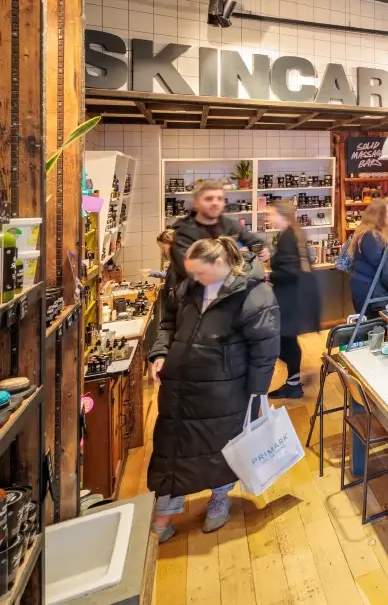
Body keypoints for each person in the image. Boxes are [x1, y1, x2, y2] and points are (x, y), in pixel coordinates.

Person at [147, 237, 280, 542]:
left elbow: (265, 348)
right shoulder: (189, 285)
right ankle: (164, 514)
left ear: (219, 265)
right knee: (171, 450)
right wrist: (160, 353)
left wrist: (257, 394)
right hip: (179, 390)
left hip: (226, 390)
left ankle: (219, 499)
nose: (194, 279)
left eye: (199, 272)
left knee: (223, 448)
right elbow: (167, 322)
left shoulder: (254, 294)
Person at [167, 180, 269, 290]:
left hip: (225, 292)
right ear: (195, 203)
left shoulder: (230, 225)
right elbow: (196, 271)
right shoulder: (183, 232)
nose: (215, 203)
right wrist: (238, 255)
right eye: (209, 199)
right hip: (191, 297)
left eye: (219, 199)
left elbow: (256, 243)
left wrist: (265, 251)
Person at [265, 201, 322, 399]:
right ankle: (295, 380)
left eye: (270, 213)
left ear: (282, 215)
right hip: (297, 295)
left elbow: (290, 271)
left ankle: (294, 382)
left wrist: (268, 277)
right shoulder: (294, 232)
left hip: (291, 297)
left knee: (283, 339)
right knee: (287, 339)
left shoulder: (288, 236)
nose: (267, 217)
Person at [349, 198, 388, 318]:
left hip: (366, 285)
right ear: (379, 216)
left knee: (371, 322)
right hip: (367, 288)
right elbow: (381, 263)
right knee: (372, 323)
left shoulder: (371, 233)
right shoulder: (369, 236)